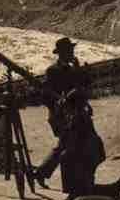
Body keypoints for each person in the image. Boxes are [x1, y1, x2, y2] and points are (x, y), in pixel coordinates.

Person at [33, 37, 91, 188]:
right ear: (61, 53)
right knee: (67, 146)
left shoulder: (73, 68)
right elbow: (46, 95)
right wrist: (59, 104)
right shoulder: (52, 71)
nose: (72, 52)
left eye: (72, 50)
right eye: (69, 50)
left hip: (73, 115)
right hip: (60, 116)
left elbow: (83, 87)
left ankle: (40, 173)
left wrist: (81, 71)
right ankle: (43, 174)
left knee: (65, 146)